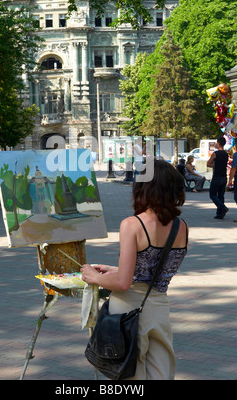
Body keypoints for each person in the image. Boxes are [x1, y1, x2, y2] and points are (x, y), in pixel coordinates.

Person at [81, 159, 189, 380]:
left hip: (128, 310)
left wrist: (93, 276)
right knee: (161, 373)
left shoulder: (132, 224)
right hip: (159, 307)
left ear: (143, 187)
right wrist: (116, 269)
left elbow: (123, 283)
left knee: (130, 376)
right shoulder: (182, 226)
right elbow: (155, 270)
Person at [207, 136, 229, 219]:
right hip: (224, 177)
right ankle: (220, 214)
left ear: (218, 143)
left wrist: (214, 166)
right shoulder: (226, 154)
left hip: (216, 177)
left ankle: (222, 207)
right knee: (221, 195)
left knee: (212, 194)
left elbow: (208, 164)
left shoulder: (215, 154)